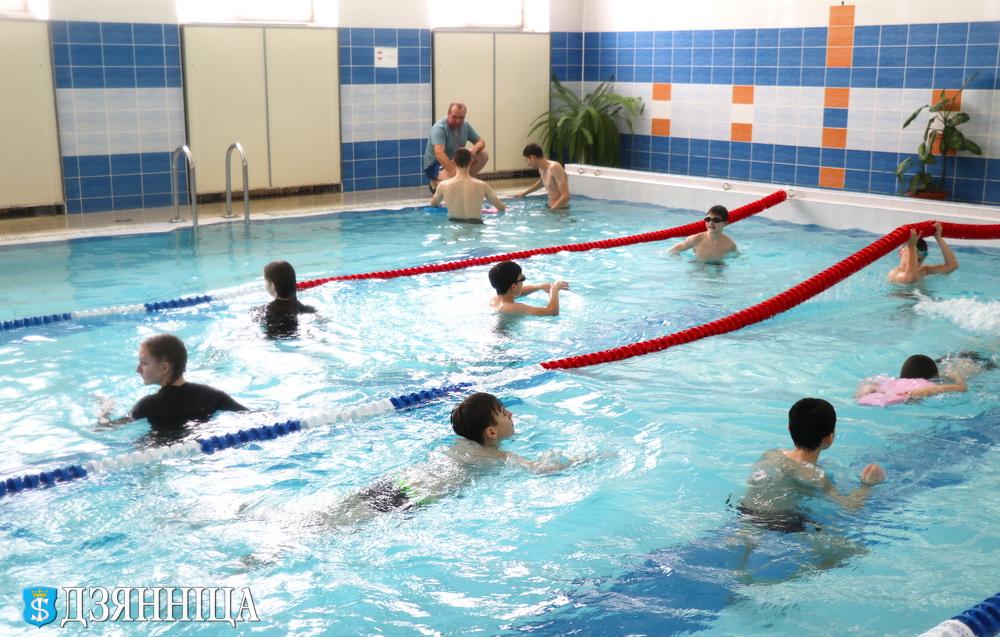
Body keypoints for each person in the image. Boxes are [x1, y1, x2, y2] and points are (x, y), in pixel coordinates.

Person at [318, 393, 585, 525]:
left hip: (398, 480)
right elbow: (540, 469)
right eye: (505, 414)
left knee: (327, 516)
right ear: (491, 433)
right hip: (416, 496)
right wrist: (583, 459)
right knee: (337, 527)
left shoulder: (458, 445)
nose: (511, 415)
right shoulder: (496, 455)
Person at [739, 398, 885, 532]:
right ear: (830, 438)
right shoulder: (816, 476)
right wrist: (867, 486)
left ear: (789, 428)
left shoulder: (771, 454)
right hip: (780, 522)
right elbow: (849, 507)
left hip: (745, 511)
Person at [99, 334, 247, 435]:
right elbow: (250, 415)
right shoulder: (212, 395)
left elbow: (104, 428)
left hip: (158, 452)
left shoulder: (148, 404)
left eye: (144, 363)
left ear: (164, 368)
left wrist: (105, 410)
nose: (138, 369)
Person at [855, 353, 986, 406]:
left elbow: (868, 383)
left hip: (876, 392)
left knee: (869, 387)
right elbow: (962, 388)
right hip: (911, 394)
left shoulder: (892, 382)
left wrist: (866, 389)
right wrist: (955, 375)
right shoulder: (926, 386)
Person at [423, 102, 489, 193]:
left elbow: (481, 142)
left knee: (483, 155)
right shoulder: (439, 128)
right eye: (454, 117)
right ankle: (435, 184)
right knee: (455, 186)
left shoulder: (465, 125)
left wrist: (473, 150)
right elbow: (439, 154)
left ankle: (467, 180)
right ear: (448, 114)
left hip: (455, 162)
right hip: (435, 165)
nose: (458, 121)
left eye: (461, 118)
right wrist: (456, 175)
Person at [430, 148, 506, 222]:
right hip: (476, 225)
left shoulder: (443, 185)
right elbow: (501, 208)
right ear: (471, 161)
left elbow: (433, 205)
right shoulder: (483, 185)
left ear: (453, 162)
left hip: (455, 224)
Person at [256, 260, 316, 338]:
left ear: (272, 285)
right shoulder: (304, 308)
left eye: (265, 281)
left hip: (276, 337)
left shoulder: (263, 311)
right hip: (300, 333)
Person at [488, 260, 569, 316]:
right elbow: (552, 311)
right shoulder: (513, 308)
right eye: (522, 279)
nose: (523, 282)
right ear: (513, 287)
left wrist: (540, 286)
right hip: (505, 335)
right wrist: (554, 288)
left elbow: (520, 292)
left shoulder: (495, 300)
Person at [887, 222, 958, 284]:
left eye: (919, 260)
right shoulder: (894, 274)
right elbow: (911, 278)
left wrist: (938, 238)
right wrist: (911, 247)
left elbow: (952, 266)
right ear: (900, 253)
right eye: (910, 257)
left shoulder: (924, 271)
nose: (915, 263)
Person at [668, 205, 738, 262]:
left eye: (716, 220)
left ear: (725, 223)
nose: (711, 223)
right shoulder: (696, 239)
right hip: (698, 268)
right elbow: (672, 251)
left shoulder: (730, 245)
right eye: (708, 219)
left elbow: (737, 258)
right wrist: (677, 259)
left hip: (719, 268)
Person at [514, 143, 570, 209]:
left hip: (560, 210)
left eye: (527, 160)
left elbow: (565, 196)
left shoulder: (555, 168)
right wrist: (524, 193)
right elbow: (541, 183)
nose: (528, 164)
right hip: (551, 208)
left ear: (532, 157)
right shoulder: (541, 169)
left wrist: (552, 211)